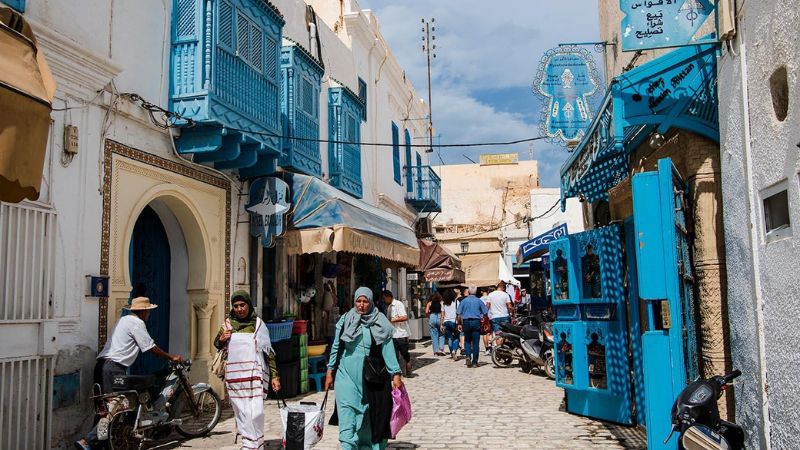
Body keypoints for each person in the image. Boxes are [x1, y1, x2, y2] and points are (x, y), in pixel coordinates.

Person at [75, 297, 183, 450]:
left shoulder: (124, 320)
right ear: (144, 312)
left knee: (105, 409)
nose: (149, 315)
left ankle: (102, 444)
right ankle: (88, 441)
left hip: (102, 366)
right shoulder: (137, 323)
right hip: (113, 368)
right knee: (115, 407)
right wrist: (171, 357)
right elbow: (150, 347)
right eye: (149, 312)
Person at [324, 287, 404, 450]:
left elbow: (387, 348)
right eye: (358, 301)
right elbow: (336, 346)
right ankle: (346, 445)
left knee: (368, 416)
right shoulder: (346, 319)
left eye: (365, 301)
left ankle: (366, 445)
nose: (361, 305)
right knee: (346, 414)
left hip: (370, 378)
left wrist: (395, 373)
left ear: (371, 302)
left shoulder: (379, 320)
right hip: (345, 376)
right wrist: (330, 370)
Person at [213, 291, 280, 450]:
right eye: (235, 306)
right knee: (242, 413)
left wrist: (275, 376)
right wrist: (222, 339)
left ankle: (254, 444)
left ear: (249, 305)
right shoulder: (228, 325)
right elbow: (217, 344)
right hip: (235, 380)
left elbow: (268, 352)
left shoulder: (258, 325)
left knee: (256, 413)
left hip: (254, 377)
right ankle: (251, 445)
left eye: (242, 305)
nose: (239, 309)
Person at [456, 285, 488, 368]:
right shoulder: (479, 301)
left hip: (466, 322)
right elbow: (485, 312)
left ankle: (468, 356)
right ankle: (474, 362)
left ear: (469, 292)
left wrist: (459, 323)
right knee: (476, 342)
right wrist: (481, 317)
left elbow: (459, 313)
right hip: (476, 322)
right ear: (476, 292)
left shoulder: (464, 301)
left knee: (467, 340)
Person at [382, 290, 413, 376]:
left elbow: (404, 317)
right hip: (392, 334)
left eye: (385, 298)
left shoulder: (398, 304)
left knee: (404, 352)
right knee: (394, 355)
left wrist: (392, 320)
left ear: (389, 297)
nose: (384, 300)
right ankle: (396, 373)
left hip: (401, 333)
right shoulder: (388, 307)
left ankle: (408, 363)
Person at [440, 290, 460, 360]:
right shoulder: (456, 302)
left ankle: (451, 352)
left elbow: (442, 315)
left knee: (449, 338)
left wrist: (441, 324)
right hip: (454, 322)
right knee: (456, 337)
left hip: (446, 322)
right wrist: (460, 323)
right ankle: (454, 350)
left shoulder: (443, 303)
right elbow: (459, 314)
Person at [479, 288, 493, 355]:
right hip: (491, 316)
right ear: (487, 291)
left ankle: (487, 348)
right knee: (489, 333)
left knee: (484, 333)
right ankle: (490, 346)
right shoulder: (490, 297)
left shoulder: (480, 299)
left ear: (481, 292)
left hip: (483, 317)